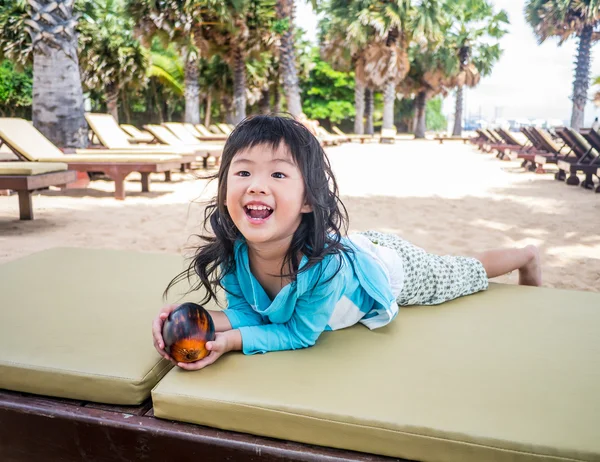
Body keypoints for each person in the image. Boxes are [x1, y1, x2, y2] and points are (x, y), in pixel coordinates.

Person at [152, 115, 542, 371]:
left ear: (307, 200)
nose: (256, 184)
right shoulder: (236, 255)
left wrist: (231, 343)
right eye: (243, 172)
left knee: (463, 271)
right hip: (351, 247)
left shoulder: (321, 269)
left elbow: (298, 334)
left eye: (278, 174)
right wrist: (192, 322)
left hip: (387, 270)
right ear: (224, 191)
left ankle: (527, 255)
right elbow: (250, 313)